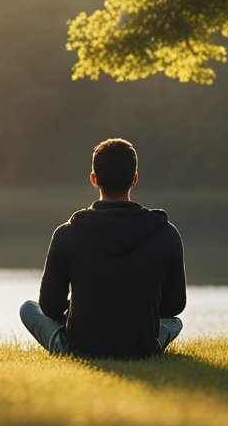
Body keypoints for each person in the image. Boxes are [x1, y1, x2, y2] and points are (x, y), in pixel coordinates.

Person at [19, 138, 186, 358]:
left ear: (94, 179)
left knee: (28, 309)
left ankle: (69, 350)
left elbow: (49, 308)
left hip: (80, 350)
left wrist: (83, 305)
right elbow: (174, 306)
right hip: (142, 348)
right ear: (134, 180)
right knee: (174, 322)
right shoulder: (166, 233)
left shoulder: (66, 234)